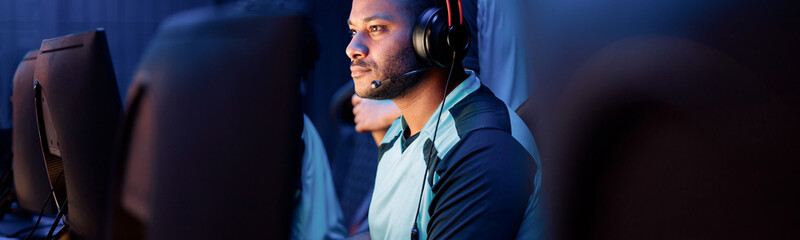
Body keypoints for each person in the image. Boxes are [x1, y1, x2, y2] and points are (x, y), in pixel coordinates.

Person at [346, 0, 544, 238]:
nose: (352, 47)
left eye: (377, 28)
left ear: (432, 37)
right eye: (353, 31)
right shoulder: (398, 135)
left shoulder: (483, 151)